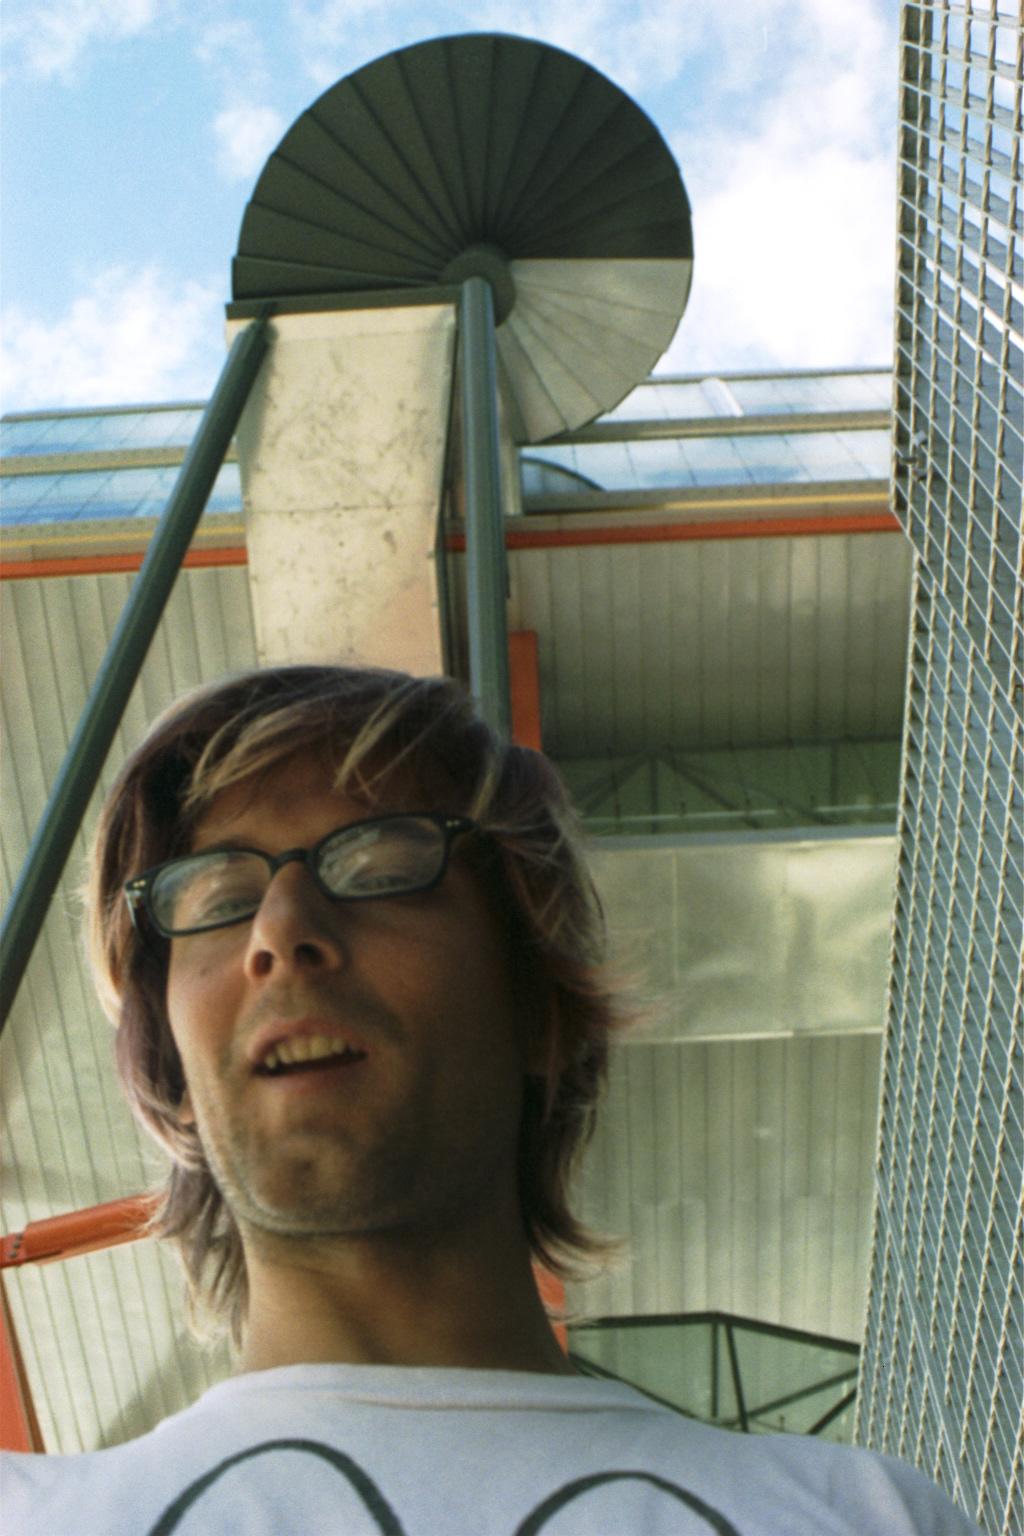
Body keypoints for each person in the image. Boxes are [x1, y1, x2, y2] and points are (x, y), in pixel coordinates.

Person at [2, 664, 980, 1534]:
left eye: (380, 866)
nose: (281, 929)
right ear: (170, 1063)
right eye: (218, 899)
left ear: (540, 1009)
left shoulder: (860, 1517)